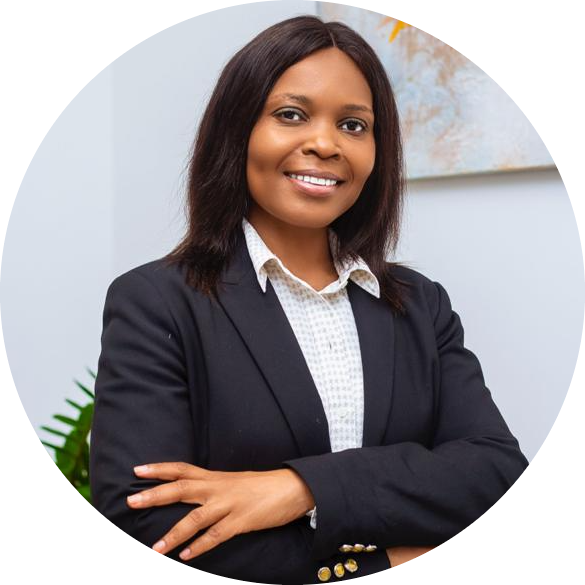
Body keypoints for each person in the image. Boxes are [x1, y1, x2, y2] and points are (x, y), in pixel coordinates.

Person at [89, 15, 529, 584]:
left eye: (353, 124)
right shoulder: (156, 303)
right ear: (237, 129)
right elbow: (148, 526)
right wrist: (382, 561)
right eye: (291, 115)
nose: (325, 143)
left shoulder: (422, 306)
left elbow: (495, 473)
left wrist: (301, 489)